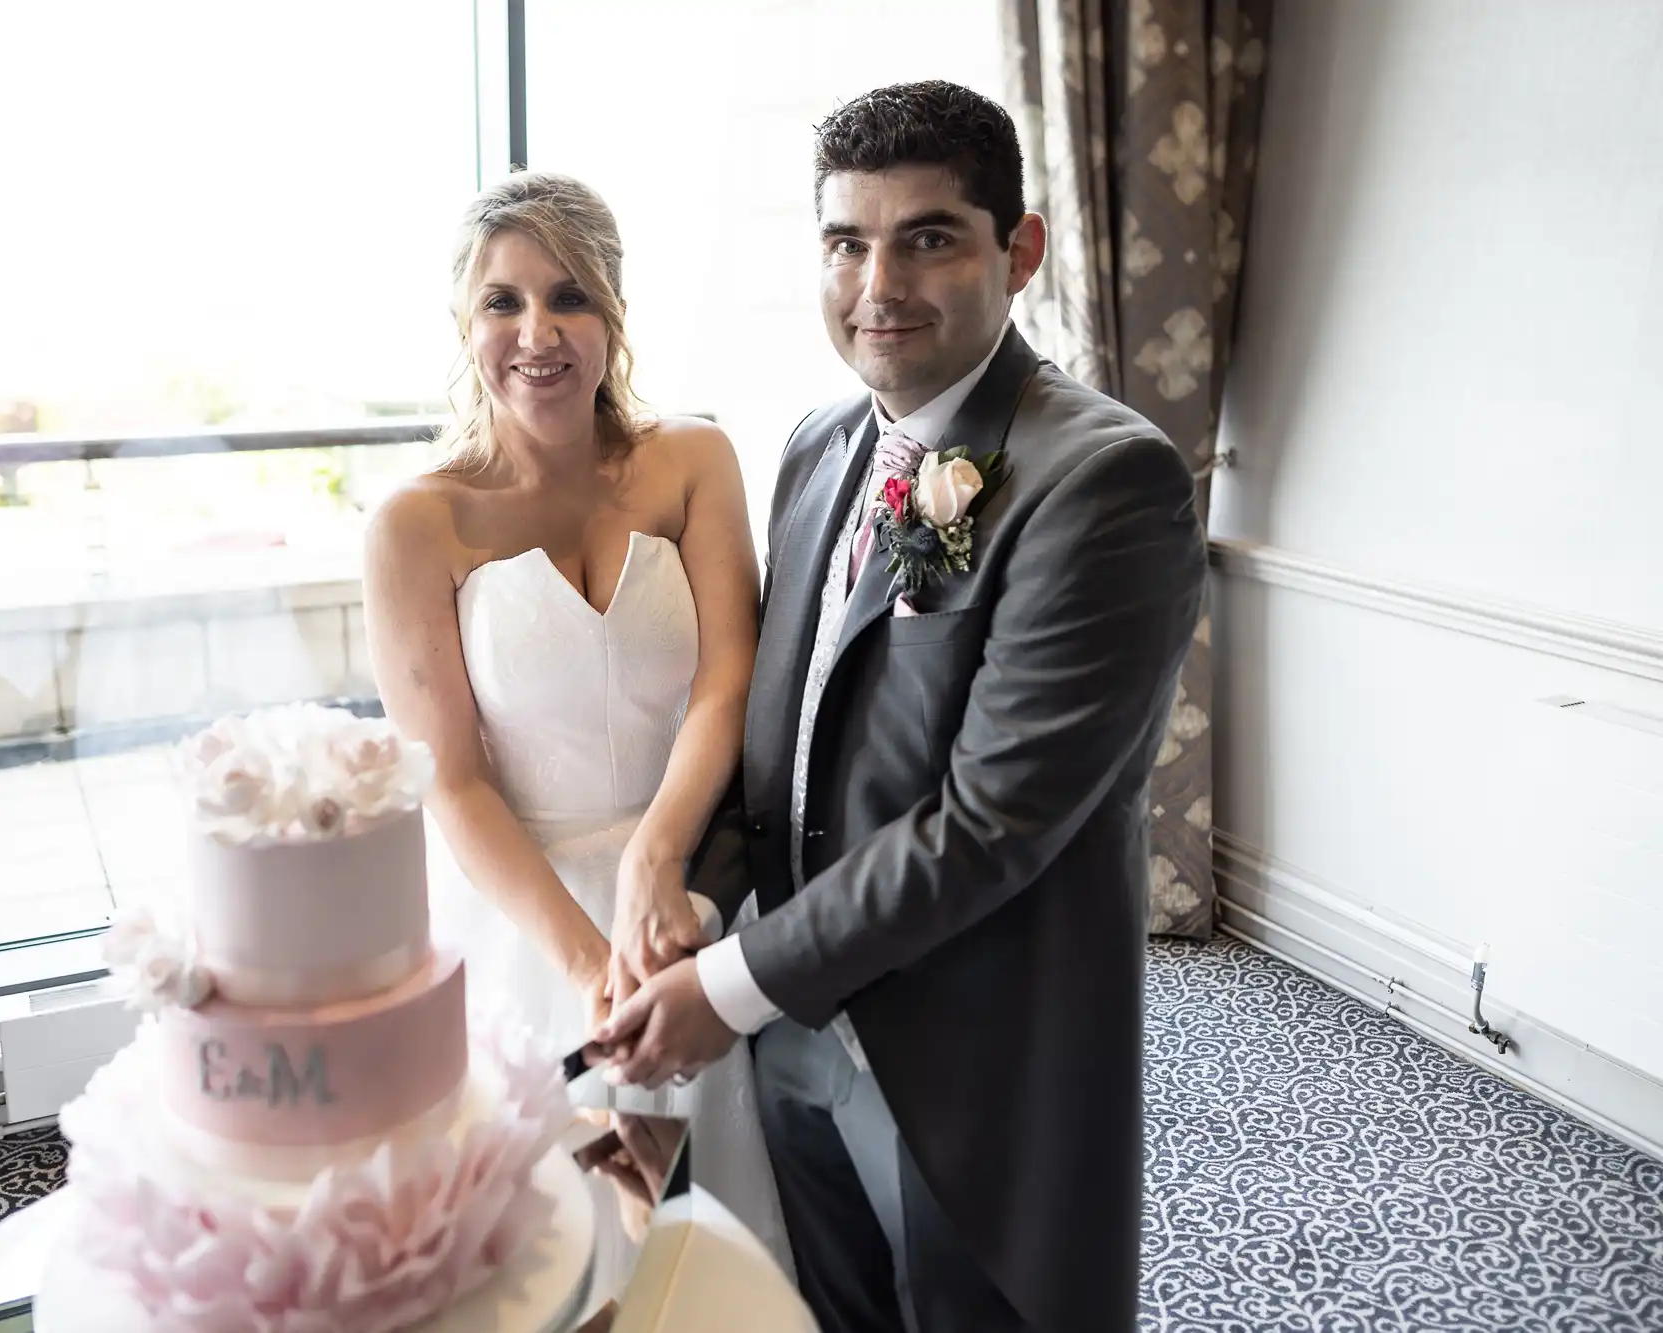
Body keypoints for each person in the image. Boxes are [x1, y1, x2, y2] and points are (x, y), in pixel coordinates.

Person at [592, 81, 1208, 1332]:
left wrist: (727, 985)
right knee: (843, 1308)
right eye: (845, 241)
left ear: (1016, 251)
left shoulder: (1104, 480)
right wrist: (701, 901)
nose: (878, 283)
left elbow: (992, 822)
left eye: (927, 237)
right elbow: (787, 740)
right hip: (794, 1023)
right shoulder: (819, 444)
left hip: (972, 1052)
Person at [361, 171, 793, 1297]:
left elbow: (727, 679)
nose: (536, 333)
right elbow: (450, 780)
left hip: (689, 873)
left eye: (569, 297)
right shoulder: (418, 521)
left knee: (712, 1248)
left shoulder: (692, 458)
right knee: (548, 1254)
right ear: (465, 323)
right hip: (520, 903)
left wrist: (657, 860)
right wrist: (585, 962)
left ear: (611, 312)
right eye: (502, 302)